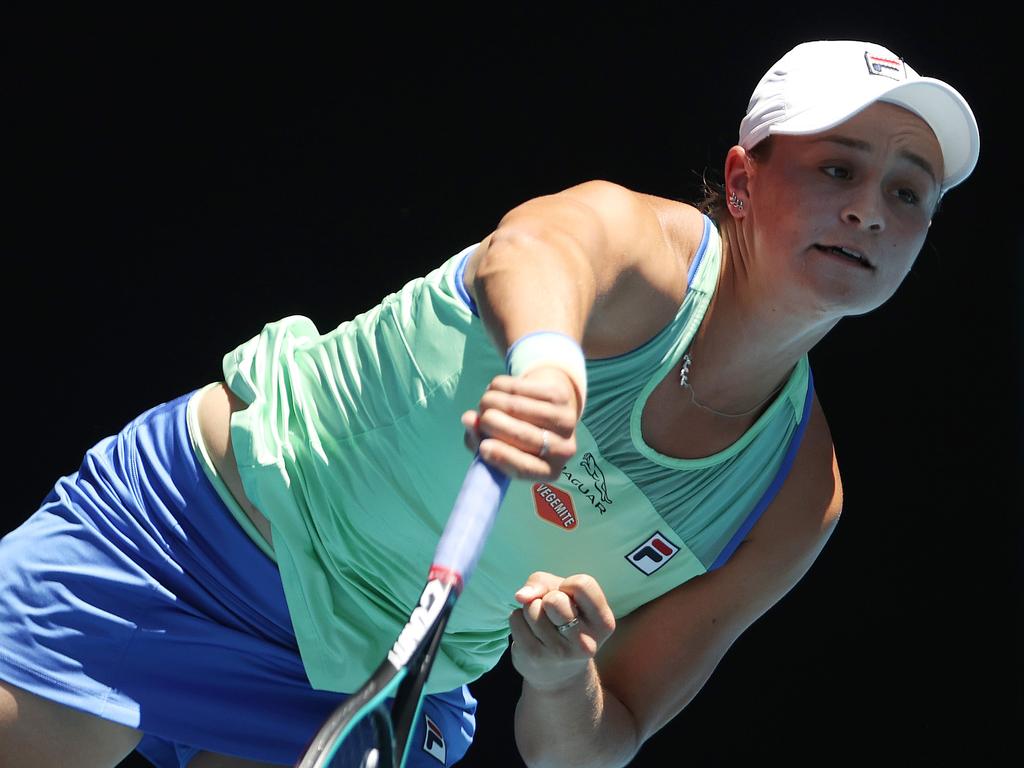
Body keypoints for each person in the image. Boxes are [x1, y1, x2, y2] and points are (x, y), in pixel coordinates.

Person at [0, 39, 979, 768]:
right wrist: (549, 359)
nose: (869, 211)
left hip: (381, 683)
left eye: (909, 194)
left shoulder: (796, 498)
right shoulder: (644, 251)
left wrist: (560, 679)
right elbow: (537, 248)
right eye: (838, 168)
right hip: (185, 546)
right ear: (740, 178)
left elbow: (602, 739)